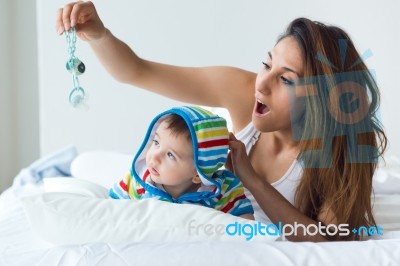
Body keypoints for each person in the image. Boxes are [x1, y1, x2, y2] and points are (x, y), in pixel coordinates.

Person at [56, 1, 387, 241]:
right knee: (84, 165)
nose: (262, 83)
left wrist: (252, 180)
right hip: (172, 178)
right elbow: (136, 71)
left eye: (285, 80)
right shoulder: (244, 91)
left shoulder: (343, 147)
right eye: (266, 64)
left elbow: (327, 242)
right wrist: (99, 35)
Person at [109, 105, 255, 219]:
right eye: (156, 142)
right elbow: (110, 210)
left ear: (198, 175)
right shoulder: (138, 181)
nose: (154, 157)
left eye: (170, 155)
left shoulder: (222, 192)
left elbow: (245, 224)